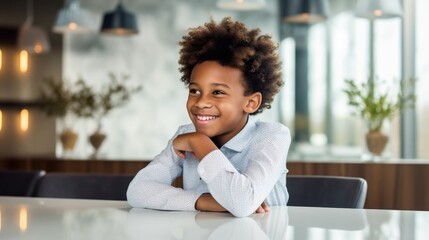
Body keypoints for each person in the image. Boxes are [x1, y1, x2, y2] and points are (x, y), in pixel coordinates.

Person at [127, 17, 291, 217]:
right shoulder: (185, 134)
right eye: (195, 91)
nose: (200, 102)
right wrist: (202, 201)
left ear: (251, 103)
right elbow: (137, 191)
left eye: (218, 92)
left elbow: (242, 203)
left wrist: (201, 144)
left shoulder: (272, 136)